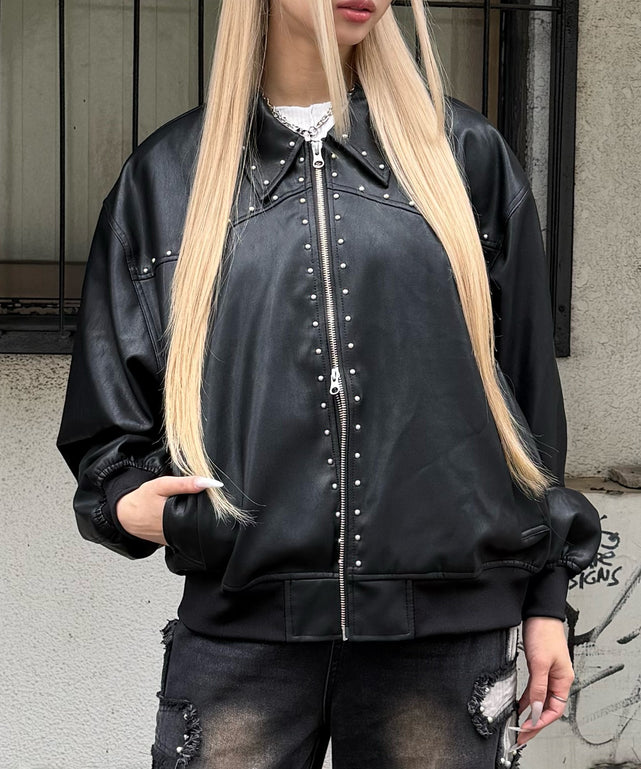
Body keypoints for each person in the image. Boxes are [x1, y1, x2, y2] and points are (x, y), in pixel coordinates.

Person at [56, 1, 602, 767]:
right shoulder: (169, 177)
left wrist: (545, 600)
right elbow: (108, 418)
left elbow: (528, 403)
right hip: (245, 633)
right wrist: (128, 501)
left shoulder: (463, 155)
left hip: (439, 640)